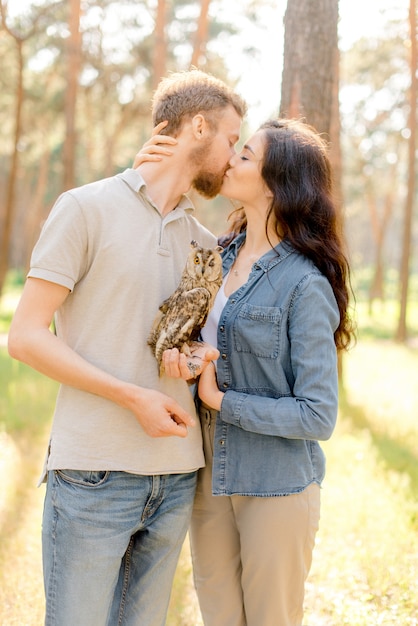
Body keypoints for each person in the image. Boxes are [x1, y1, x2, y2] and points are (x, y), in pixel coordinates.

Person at [7, 69, 247, 626]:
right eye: (232, 140)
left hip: (177, 473)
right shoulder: (85, 208)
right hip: (94, 472)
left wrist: (193, 359)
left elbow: (172, 343)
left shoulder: (204, 245)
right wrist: (131, 396)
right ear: (199, 126)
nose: (233, 156)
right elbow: (25, 338)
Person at [137, 117, 355, 626]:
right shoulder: (218, 255)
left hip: (275, 483)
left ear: (277, 182)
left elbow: (318, 414)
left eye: (246, 155)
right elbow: (202, 343)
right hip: (209, 472)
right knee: (219, 617)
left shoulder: (305, 283)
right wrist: (188, 359)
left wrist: (221, 401)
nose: (230, 159)